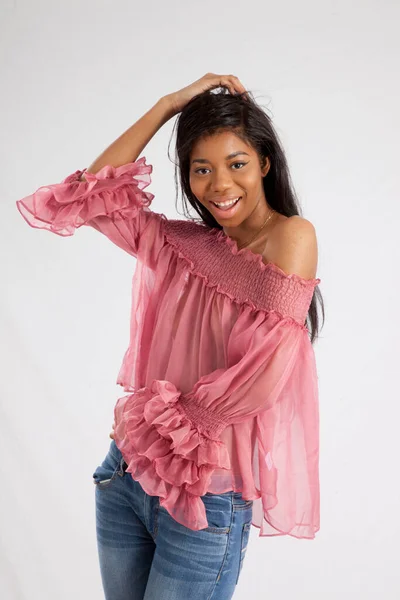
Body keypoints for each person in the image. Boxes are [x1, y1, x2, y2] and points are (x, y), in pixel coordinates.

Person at [16, 73, 324, 600]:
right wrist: (167, 105)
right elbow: (89, 197)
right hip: (126, 477)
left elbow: (263, 375)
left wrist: (165, 428)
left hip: (207, 496)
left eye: (237, 164)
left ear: (265, 164)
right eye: (201, 169)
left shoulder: (292, 237)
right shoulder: (178, 243)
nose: (220, 185)